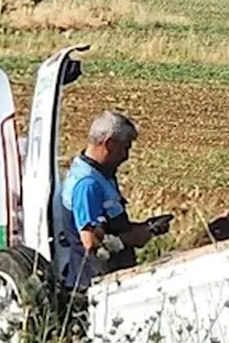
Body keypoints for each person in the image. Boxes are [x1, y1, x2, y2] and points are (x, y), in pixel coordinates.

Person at [56, 110, 171, 290]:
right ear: (109, 143)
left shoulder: (100, 175)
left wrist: (147, 228)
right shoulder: (88, 184)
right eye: (125, 148)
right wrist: (130, 239)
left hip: (109, 280)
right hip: (96, 286)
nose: (126, 156)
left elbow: (110, 226)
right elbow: (91, 243)